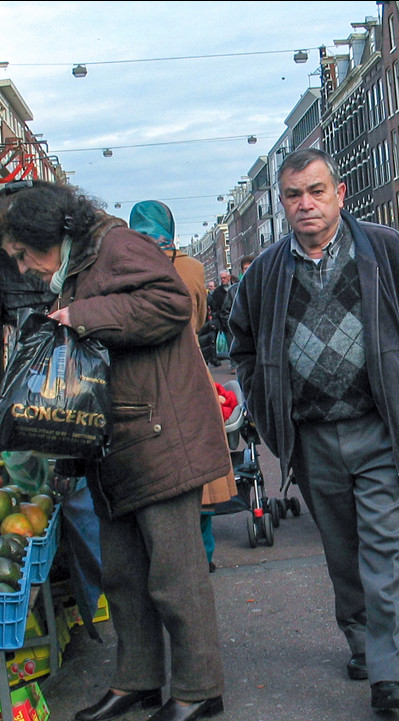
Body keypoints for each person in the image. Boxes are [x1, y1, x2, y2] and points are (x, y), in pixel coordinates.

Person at [0, 179, 231, 721]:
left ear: (51, 233)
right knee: (122, 572)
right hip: (119, 435)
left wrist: (83, 314)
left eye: (25, 253)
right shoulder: (81, 258)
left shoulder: (118, 246)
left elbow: (169, 304)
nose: (24, 267)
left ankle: (199, 688)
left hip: (157, 431)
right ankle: (139, 678)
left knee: (174, 572)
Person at [228, 148, 399, 711]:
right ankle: (362, 643)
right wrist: (264, 400)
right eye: (293, 195)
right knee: (343, 551)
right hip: (312, 439)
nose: (305, 204)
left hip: (385, 428)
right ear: (281, 203)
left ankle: (392, 673)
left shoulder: (390, 251)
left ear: (340, 192)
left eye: (315, 190)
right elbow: (241, 343)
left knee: (386, 546)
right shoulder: (264, 273)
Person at [129, 199, 237, 571]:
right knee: (201, 473)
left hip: (140, 381)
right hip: (190, 374)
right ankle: (203, 556)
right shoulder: (190, 268)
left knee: (155, 474)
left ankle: (165, 561)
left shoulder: (123, 267)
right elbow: (202, 317)